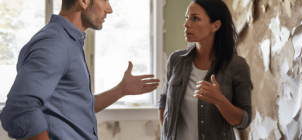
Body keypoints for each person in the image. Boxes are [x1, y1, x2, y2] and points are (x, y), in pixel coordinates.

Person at [0, 0, 160, 139]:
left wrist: (121, 90)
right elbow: (20, 108)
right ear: (83, 1)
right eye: (104, 0)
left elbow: (74, 108)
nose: (109, 9)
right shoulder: (55, 43)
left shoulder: (69, 42)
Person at [158, 0, 253, 139]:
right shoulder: (175, 60)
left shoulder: (237, 66)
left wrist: (220, 100)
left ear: (215, 25)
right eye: (187, 18)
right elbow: (164, 98)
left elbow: (243, 121)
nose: (186, 24)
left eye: (195, 18)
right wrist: (166, 134)